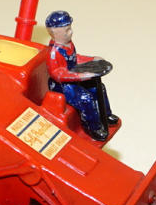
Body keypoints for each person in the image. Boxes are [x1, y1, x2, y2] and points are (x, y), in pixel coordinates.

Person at [45, 11, 119, 141]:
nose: (71, 32)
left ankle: (105, 115)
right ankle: (93, 128)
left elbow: (75, 59)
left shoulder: (69, 45)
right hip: (61, 86)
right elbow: (57, 74)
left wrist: (92, 59)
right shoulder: (54, 53)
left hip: (73, 79)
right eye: (67, 30)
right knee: (85, 98)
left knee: (99, 88)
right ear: (54, 32)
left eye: (70, 28)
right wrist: (80, 76)